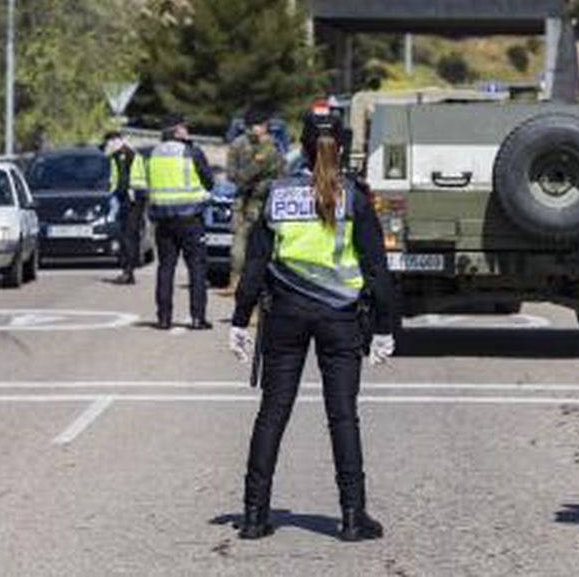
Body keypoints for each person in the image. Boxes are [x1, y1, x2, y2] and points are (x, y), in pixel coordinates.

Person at [227, 111, 396, 542]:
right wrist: (385, 327)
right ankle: (353, 517)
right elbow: (377, 268)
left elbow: (255, 264)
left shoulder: (279, 194)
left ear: (301, 146)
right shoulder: (354, 196)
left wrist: (239, 320)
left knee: (272, 413)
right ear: (341, 148)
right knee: (343, 416)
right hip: (340, 318)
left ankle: (253, 515)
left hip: (285, 315)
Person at [145, 113, 215, 330]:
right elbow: (209, 181)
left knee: (165, 268)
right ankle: (197, 317)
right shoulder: (191, 151)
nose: (187, 129)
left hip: (163, 219)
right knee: (197, 268)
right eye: (184, 126)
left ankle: (163, 318)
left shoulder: (153, 154)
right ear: (177, 130)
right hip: (190, 217)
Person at [225, 110, 285, 293]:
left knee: (240, 240)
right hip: (258, 201)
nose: (266, 127)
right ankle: (249, 283)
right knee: (257, 245)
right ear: (255, 125)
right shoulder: (269, 144)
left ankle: (235, 280)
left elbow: (231, 175)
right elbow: (280, 171)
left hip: (245, 199)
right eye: (263, 124)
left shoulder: (236, 144)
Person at [104, 130, 149, 285]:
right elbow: (115, 180)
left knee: (128, 235)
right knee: (128, 235)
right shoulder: (118, 156)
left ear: (116, 141)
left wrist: (121, 193)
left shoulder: (126, 156)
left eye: (109, 142)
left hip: (133, 199)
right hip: (129, 199)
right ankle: (128, 271)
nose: (107, 146)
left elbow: (124, 179)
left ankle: (128, 272)